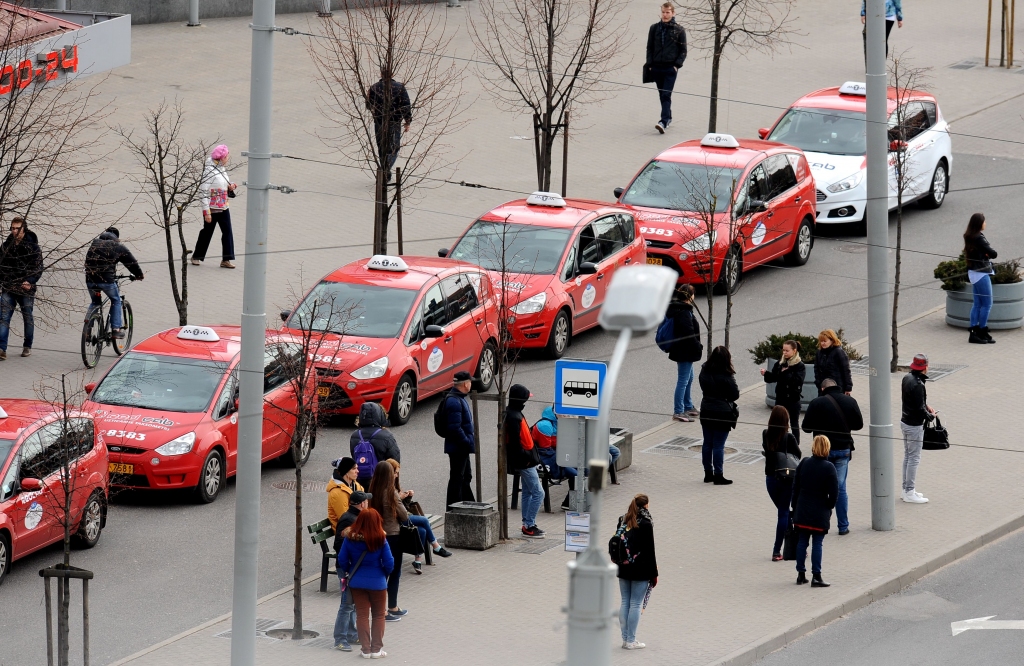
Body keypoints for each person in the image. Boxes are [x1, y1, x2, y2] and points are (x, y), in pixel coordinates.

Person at [801, 378, 863, 535]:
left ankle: (820, 523)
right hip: (843, 451)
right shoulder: (850, 401)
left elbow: (806, 428)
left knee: (820, 488)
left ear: (822, 389)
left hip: (822, 452)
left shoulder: (817, 403)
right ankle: (843, 526)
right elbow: (858, 425)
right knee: (840, 488)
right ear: (838, 387)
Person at [336, 507, 394, 658]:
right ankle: (376, 649)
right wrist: (383, 573)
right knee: (379, 615)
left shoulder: (350, 538)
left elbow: (342, 559)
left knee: (362, 615)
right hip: (378, 583)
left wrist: (351, 570)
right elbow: (389, 562)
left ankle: (365, 650)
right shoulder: (380, 539)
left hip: (357, 582)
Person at [384, 458, 452, 575]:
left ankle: (418, 561)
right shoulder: (388, 489)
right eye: (395, 473)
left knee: (422, 531)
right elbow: (399, 511)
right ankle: (436, 547)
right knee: (424, 520)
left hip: (401, 517)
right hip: (397, 520)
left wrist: (407, 497)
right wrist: (400, 497)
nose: (396, 475)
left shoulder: (394, 486)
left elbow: (402, 506)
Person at [791, 435, 839, 587]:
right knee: (817, 543)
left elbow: (795, 487)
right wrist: (829, 507)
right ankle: (816, 576)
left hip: (802, 510)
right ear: (827, 448)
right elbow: (834, 493)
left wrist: (795, 506)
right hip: (819, 512)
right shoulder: (829, 467)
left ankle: (800, 574)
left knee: (802, 542)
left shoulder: (804, 463)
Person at [84, 227, 144, 339]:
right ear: (116, 237)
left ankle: (87, 330)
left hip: (90, 280)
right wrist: (139, 275)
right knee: (116, 300)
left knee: (95, 302)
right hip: (106, 281)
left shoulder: (94, 243)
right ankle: (116, 329)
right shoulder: (117, 246)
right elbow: (131, 262)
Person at [367, 461, 409, 622]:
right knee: (394, 571)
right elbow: (404, 515)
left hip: (377, 534)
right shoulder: (391, 492)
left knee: (381, 572)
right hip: (392, 536)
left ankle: (381, 608)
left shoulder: (372, 490)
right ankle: (391, 607)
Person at [615, 494, 658, 650]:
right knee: (635, 604)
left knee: (625, 602)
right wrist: (654, 573)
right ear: (646, 506)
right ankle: (631, 641)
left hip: (623, 566)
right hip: (640, 569)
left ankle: (625, 639)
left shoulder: (622, 519)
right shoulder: (646, 524)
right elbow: (649, 550)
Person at [504, 384, 545, 538]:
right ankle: (529, 525)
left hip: (526, 460)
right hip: (525, 461)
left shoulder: (514, 413)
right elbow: (515, 443)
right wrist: (525, 460)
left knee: (528, 491)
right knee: (538, 493)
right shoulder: (514, 417)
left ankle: (527, 523)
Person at [762, 406, 802, 561]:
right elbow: (797, 455)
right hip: (785, 478)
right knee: (784, 513)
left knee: (783, 513)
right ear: (786, 421)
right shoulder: (789, 437)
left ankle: (792, 547)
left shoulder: (766, 434)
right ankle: (777, 551)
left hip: (770, 479)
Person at [332, 489, 370, 652]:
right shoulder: (349, 519)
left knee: (353, 604)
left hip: (353, 568)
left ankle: (351, 633)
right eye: (366, 501)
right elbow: (339, 545)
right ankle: (340, 639)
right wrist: (347, 567)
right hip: (346, 569)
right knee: (346, 604)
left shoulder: (357, 517)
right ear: (361, 504)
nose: (368, 503)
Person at [0, 217, 42, 360]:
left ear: (24, 228)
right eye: (12, 228)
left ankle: (27, 346)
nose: (14, 231)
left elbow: (38, 268)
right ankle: (1, 349)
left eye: (17, 228)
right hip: (9, 287)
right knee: (4, 318)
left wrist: (29, 281)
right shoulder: (6, 246)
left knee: (27, 317)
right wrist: (5, 280)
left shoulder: (33, 247)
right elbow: (1, 266)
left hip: (25, 289)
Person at [699, 346, 740, 485]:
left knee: (707, 443)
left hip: (706, 410)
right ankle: (718, 475)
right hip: (722, 413)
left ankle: (707, 473)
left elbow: (703, 387)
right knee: (718, 445)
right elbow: (735, 395)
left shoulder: (704, 370)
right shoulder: (726, 374)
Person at [192, 145, 237, 269]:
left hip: (223, 207)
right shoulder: (209, 171)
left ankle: (226, 259)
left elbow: (222, 183)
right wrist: (206, 212)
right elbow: (203, 192)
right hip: (212, 209)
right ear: (221, 157)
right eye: (227, 156)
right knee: (207, 232)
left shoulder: (221, 169)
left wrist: (230, 186)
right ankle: (196, 256)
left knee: (227, 232)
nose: (228, 158)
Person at [645, 2, 687, 134]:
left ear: (673, 13)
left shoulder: (679, 30)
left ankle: (663, 121)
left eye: (668, 12)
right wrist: (650, 65)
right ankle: (668, 118)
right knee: (662, 95)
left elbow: (683, 50)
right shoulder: (654, 28)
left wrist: (676, 65)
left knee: (666, 94)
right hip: (657, 67)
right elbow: (649, 47)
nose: (665, 15)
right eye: (663, 12)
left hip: (670, 68)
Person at [900, 354, 935, 504]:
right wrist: (931, 416)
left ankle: (906, 489)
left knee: (908, 456)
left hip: (905, 421)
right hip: (914, 425)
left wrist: (925, 407)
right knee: (914, 458)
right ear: (925, 367)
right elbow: (920, 409)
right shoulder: (919, 384)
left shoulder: (907, 378)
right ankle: (909, 491)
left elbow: (916, 402)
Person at [366, 67, 412, 179]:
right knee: (393, 147)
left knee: (381, 147)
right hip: (394, 121)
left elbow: (368, 105)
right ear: (392, 74)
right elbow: (406, 105)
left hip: (379, 122)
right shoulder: (400, 88)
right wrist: (407, 121)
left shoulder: (374, 88)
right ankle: (386, 169)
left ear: (381, 74)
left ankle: (384, 172)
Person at [667, 284, 702, 422]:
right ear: (689, 296)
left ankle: (688, 406)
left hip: (683, 350)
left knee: (689, 377)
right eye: (693, 294)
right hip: (684, 351)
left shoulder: (680, 309)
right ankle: (678, 411)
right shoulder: (683, 312)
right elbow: (689, 333)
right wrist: (698, 346)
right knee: (683, 380)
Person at [760, 339, 806, 442]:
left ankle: (795, 446)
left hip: (793, 399)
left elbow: (798, 381)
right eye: (783, 350)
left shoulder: (800, 365)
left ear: (794, 351)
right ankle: (775, 444)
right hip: (780, 398)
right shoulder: (780, 363)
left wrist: (786, 373)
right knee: (777, 423)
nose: (784, 353)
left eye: (787, 350)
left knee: (794, 424)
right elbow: (773, 377)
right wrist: (766, 374)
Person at [442, 371, 476, 508]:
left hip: (460, 446)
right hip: (458, 447)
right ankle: (454, 507)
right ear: (465, 384)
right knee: (457, 478)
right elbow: (455, 428)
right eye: (470, 381)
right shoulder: (454, 401)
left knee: (465, 477)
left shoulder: (458, 398)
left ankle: (468, 504)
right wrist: (467, 441)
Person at [964, 213, 998, 344]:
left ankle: (974, 332)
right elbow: (993, 254)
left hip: (973, 272)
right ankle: (982, 331)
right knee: (987, 304)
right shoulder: (979, 238)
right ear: (979, 223)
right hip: (981, 272)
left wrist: (985, 253)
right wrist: (987, 253)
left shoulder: (969, 236)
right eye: (984, 221)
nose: (985, 223)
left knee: (977, 304)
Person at [349, 402, 401, 489]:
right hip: (380, 481)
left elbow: (354, 455)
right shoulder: (386, 435)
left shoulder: (355, 435)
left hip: (360, 480)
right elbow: (395, 460)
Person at [327, 457, 363, 534]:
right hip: (344, 533)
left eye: (357, 468)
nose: (357, 471)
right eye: (354, 469)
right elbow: (345, 519)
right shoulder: (337, 492)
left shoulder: (355, 485)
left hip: (356, 527)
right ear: (346, 472)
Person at [813, 329, 853, 395]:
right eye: (821, 341)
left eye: (825, 341)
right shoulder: (819, 353)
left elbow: (846, 370)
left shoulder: (839, 352)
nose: (823, 343)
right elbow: (816, 369)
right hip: (823, 388)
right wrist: (819, 384)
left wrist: (848, 387)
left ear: (832, 340)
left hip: (837, 387)